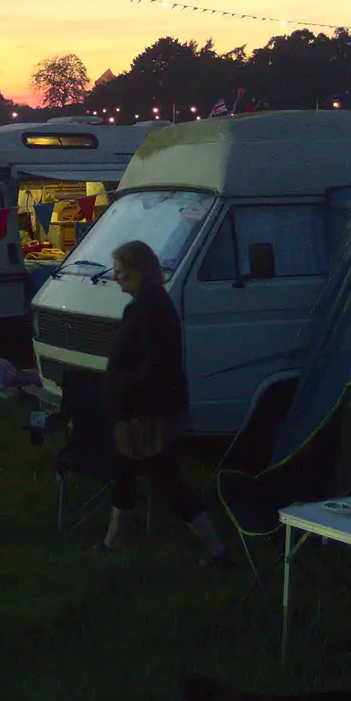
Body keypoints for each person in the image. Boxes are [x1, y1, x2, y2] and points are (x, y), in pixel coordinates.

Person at [100, 239, 228, 567]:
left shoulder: (151, 309)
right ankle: (115, 538)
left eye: (122, 272)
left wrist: (122, 386)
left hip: (151, 412)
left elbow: (155, 366)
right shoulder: (149, 305)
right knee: (127, 470)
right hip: (144, 410)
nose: (117, 278)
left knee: (165, 478)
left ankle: (215, 549)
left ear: (140, 272)